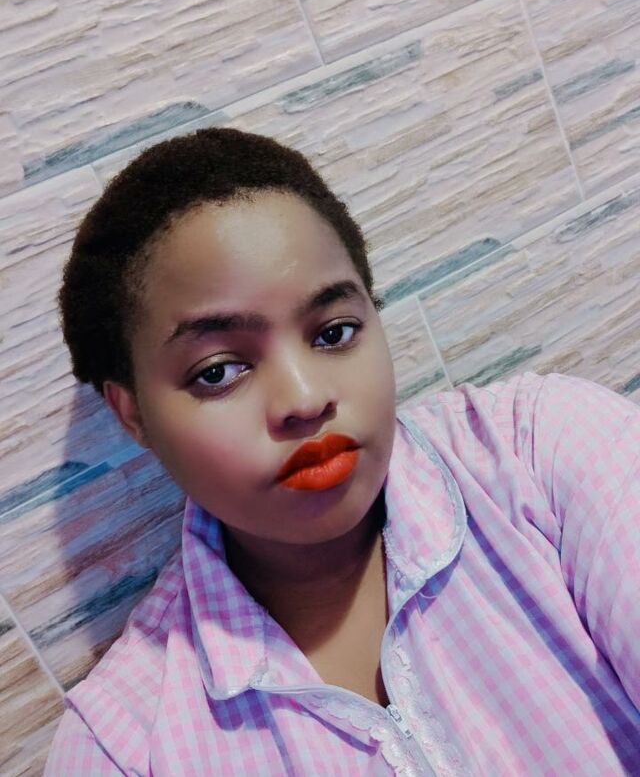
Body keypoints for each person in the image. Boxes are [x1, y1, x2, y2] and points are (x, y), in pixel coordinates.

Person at [45, 127, 639, 775]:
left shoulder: (542, 455)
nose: (305, 399)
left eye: (333, 333)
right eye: (218, 371)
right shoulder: (123, 750)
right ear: (133, 413)